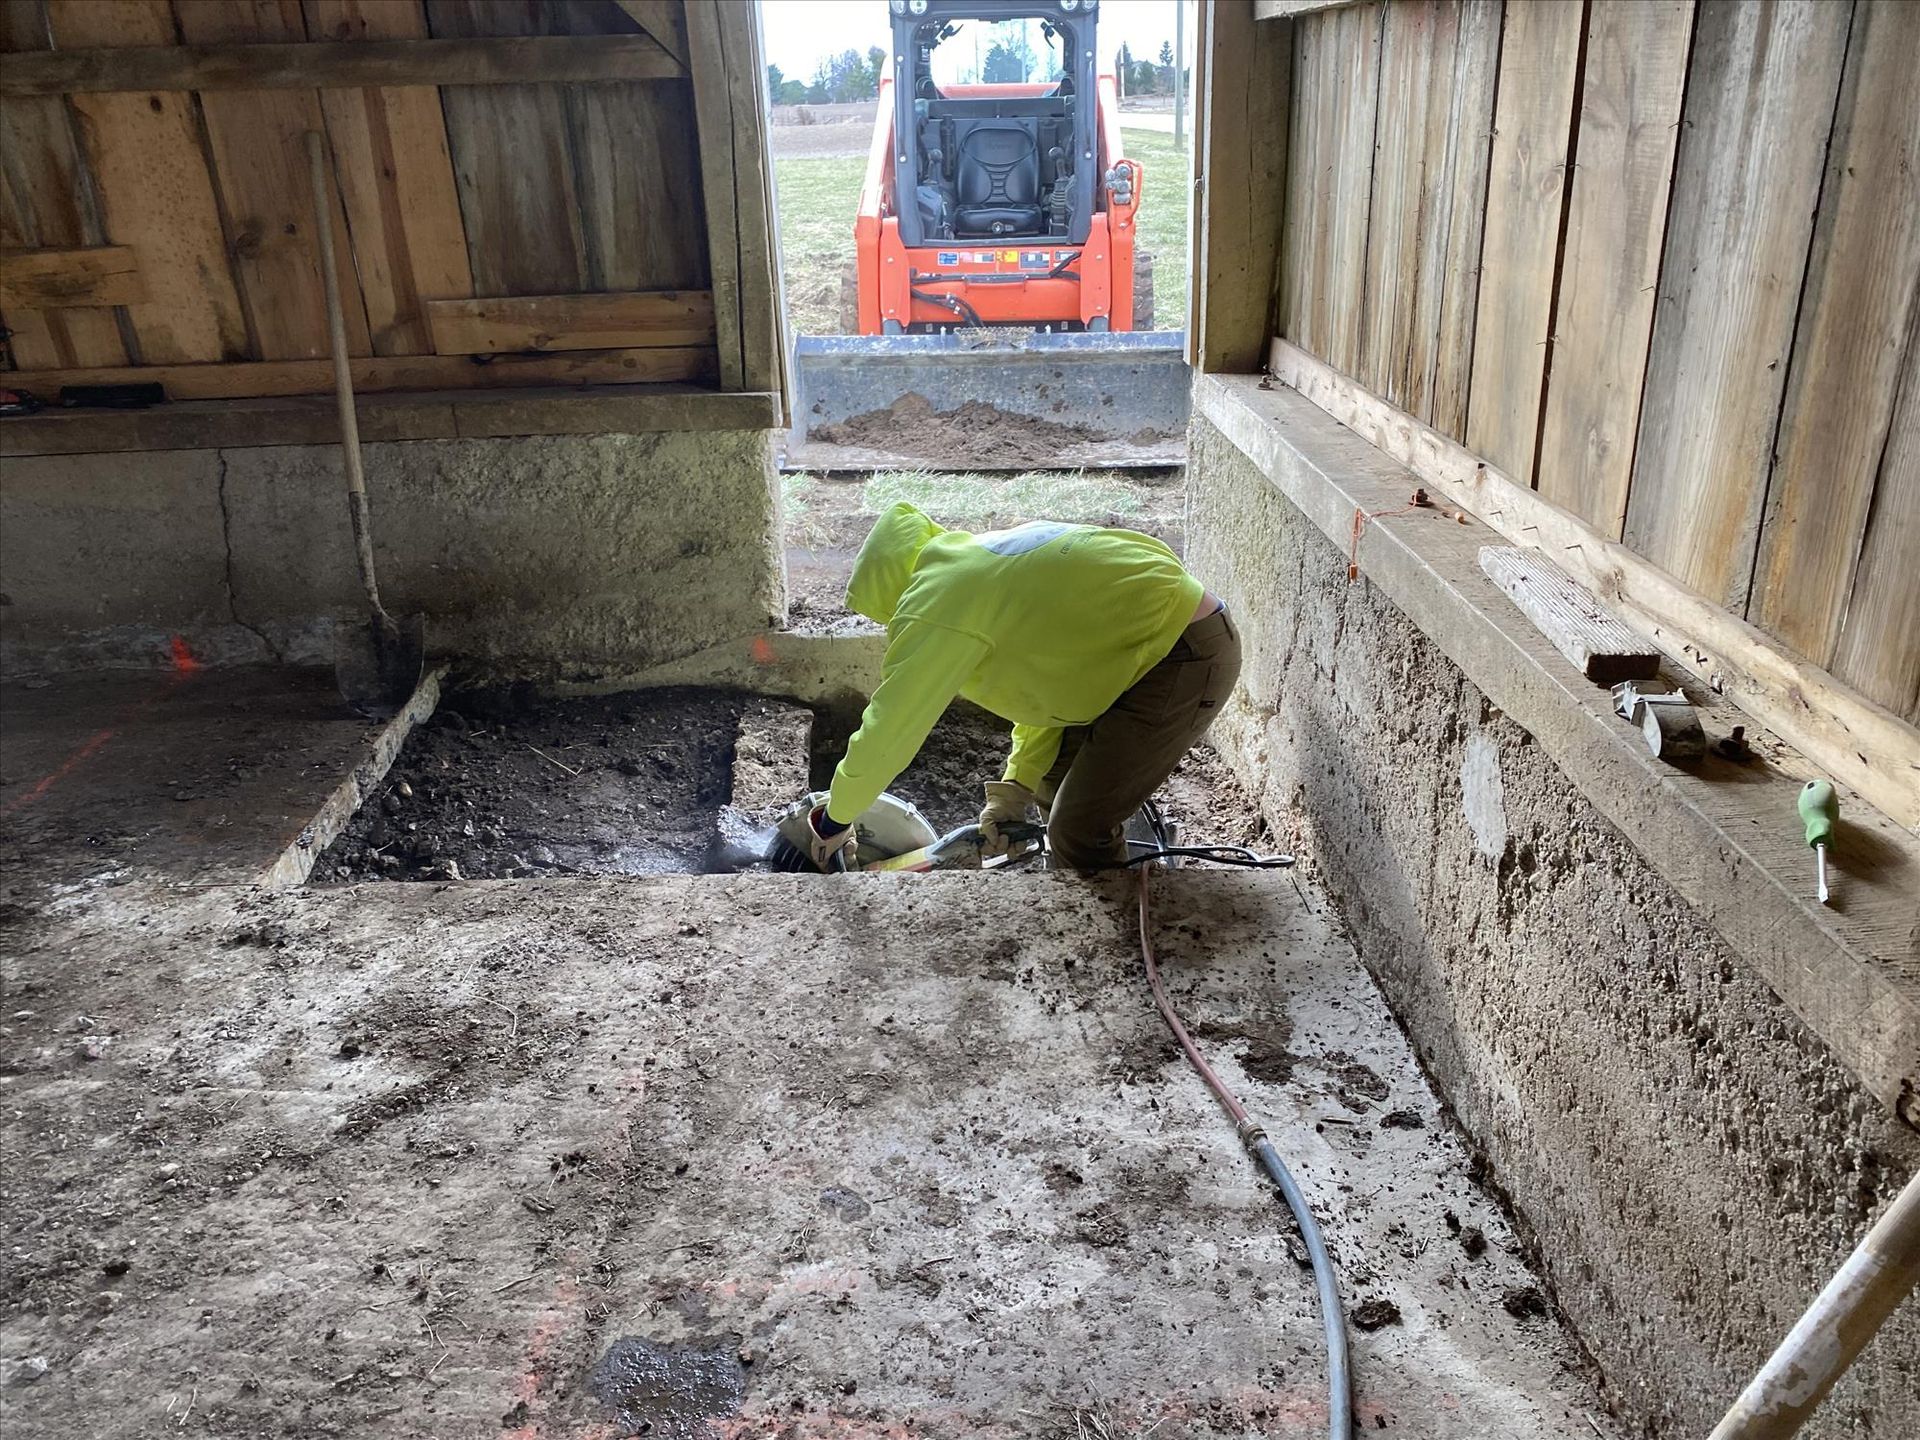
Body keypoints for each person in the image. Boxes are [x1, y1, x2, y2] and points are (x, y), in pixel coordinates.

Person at [803, 502, 1240, 873]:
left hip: (1180, 655)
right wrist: (1014, 790)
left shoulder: (936, 603)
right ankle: (1077, 886)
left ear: (890, 596)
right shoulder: (972, 564)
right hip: (1145, 646)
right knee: (1055, 782)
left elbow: (890, 729)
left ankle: (1112, 938)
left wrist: (834, 819)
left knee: (1079, 826)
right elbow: (1050, 687)